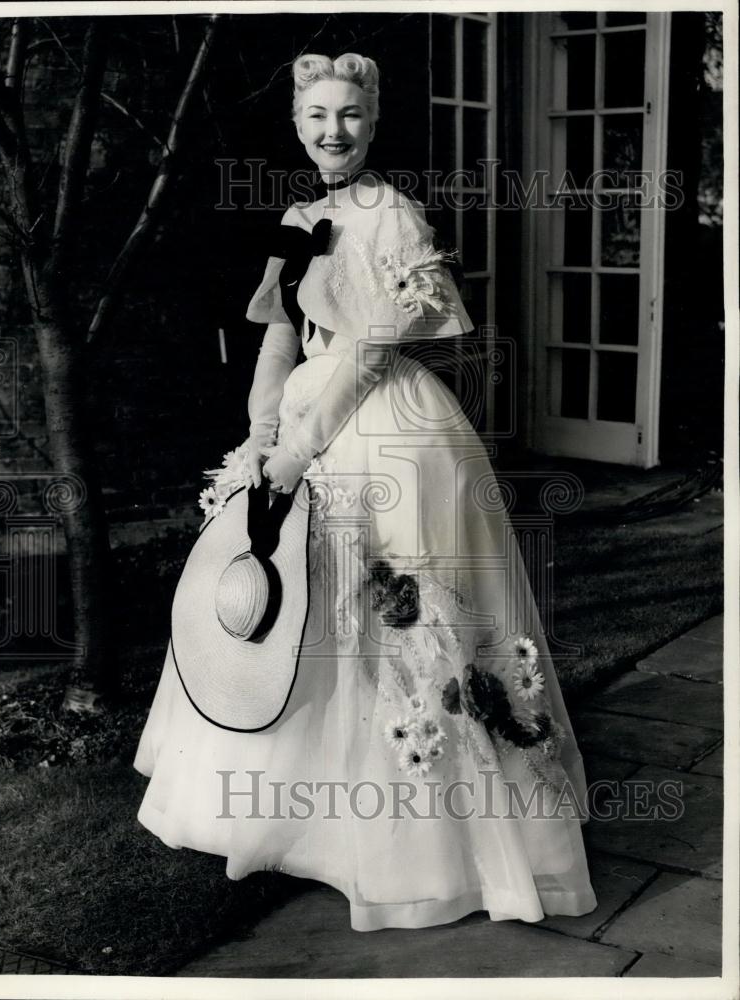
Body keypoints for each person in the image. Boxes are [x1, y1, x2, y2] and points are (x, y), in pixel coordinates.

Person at [134, 52, 598, 932]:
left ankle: (424, 840)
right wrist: (263, 430)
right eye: (315, 116)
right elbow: (280, 334)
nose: (331, 132)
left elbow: (378, 347)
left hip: (388, 429)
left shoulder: (392, 213)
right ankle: (302, 812)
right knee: (308, 610)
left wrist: (304, 446)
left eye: (348, 115)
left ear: (372, 122)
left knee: (398, 617)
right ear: (297, 124)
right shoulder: (299, 213)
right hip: (307, 419)